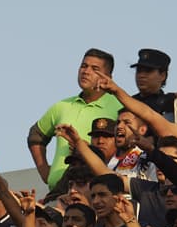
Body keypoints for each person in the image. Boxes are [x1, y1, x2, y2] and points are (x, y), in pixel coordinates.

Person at [28, 49, 123, 190]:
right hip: (57, 193)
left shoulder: (120, 107)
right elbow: (35, 135)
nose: (86, 71)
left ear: (108, 77)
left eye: (95, 69)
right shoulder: (62, 106)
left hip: (94, 192)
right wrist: (45, 172)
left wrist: (84, 149)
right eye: (84, 66)